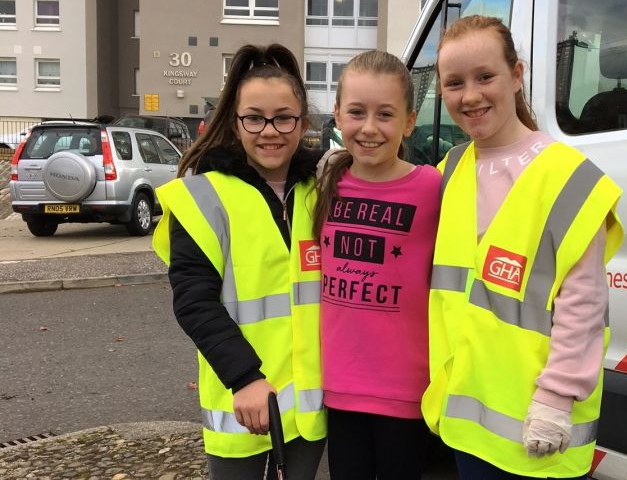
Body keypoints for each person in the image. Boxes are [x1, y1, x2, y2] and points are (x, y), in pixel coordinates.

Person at [421, 15, 624, 479]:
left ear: (517, 74)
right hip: (469, 423)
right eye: (454, 83)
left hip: (538, 425)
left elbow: (584, 302)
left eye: (485, 76)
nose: (469, 95)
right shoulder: (451, 168)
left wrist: (556, 397)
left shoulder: (566, 176)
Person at [151, 43, 326, 480]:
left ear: (302, 122)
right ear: (235, 121)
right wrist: (244, 377)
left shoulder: (321, 191)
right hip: (243, 401)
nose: (270, 130)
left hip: (307, 405)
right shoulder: (203, 196)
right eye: (255, 117)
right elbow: (194, 300)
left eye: (284, 117)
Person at [313, 50, 441, 479]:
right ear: (336, 115)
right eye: (356, 112)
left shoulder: (433, 188)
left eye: (385, 114)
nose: (369, 128)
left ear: (409, 121)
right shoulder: (322, 182)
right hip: (339, 388)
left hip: (406, 391)